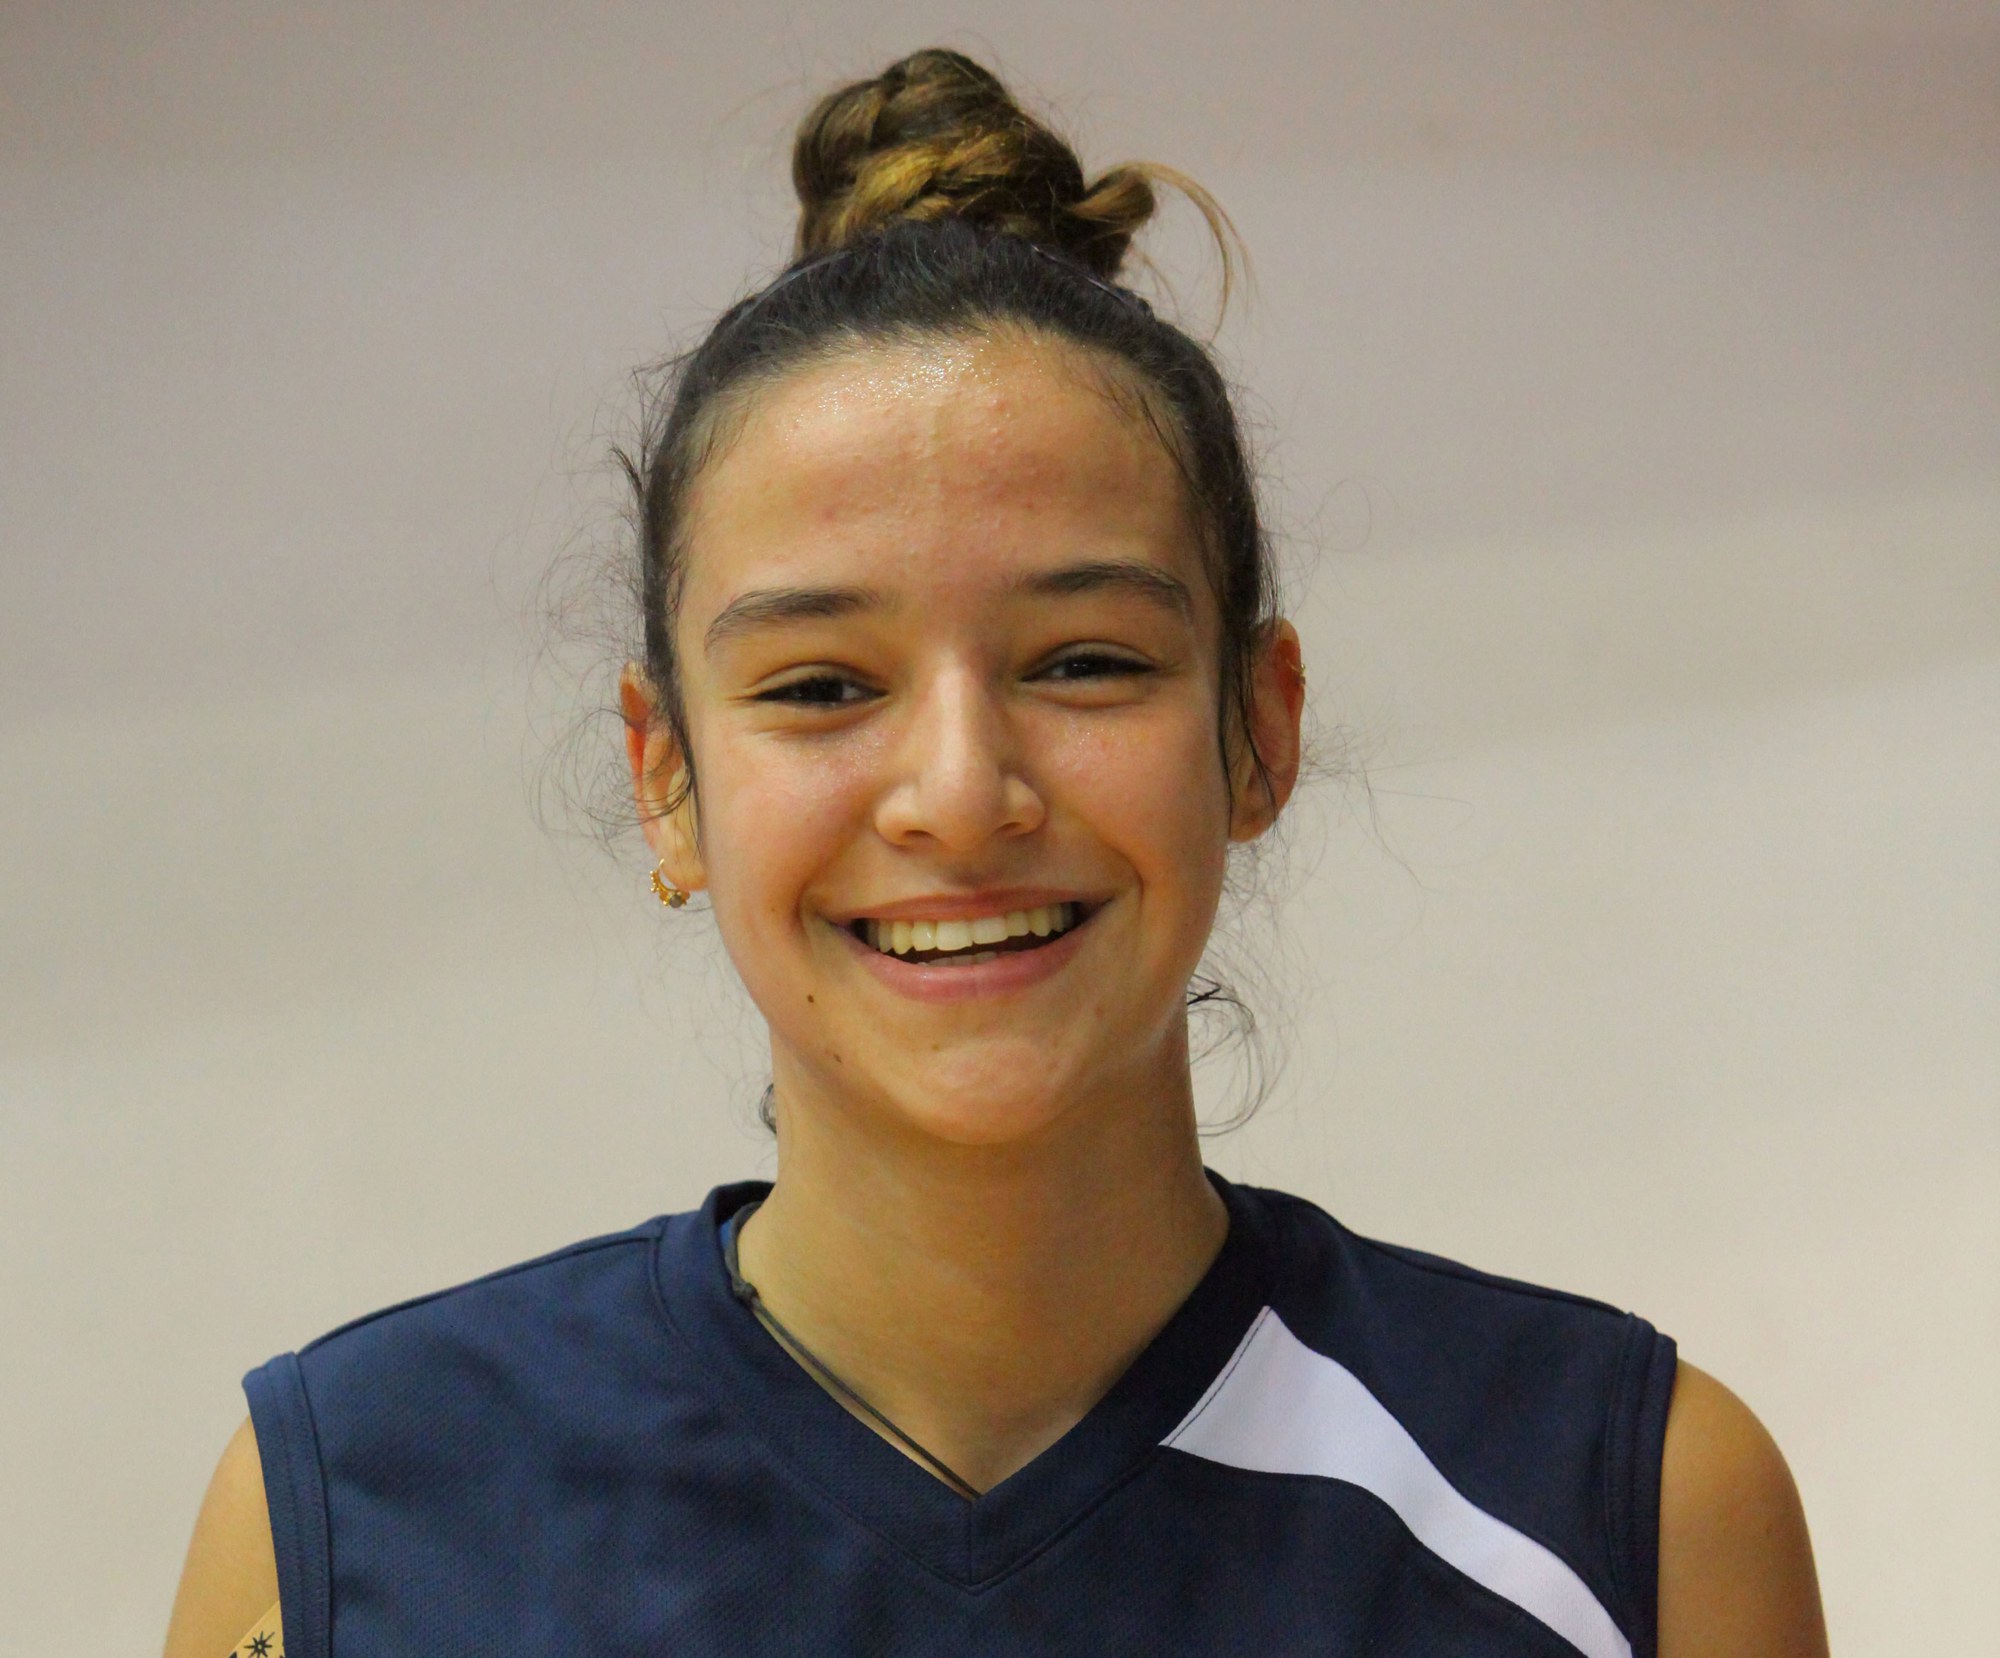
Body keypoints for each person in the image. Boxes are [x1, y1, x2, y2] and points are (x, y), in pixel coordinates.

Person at [163, 48, 1828, 1658]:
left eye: (1085, 661)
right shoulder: (350, 1524)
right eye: (821, 685)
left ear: (1259, 729)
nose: (961, 795)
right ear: (666, 777)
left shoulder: (1626, 1513)